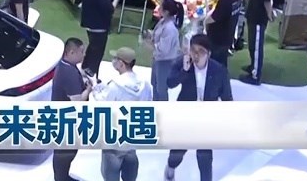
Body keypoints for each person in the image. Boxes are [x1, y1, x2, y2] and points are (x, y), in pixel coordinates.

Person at [164, 34, 233, 181]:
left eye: (201, 52)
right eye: (193, 50)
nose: (196, 55)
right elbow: (170, 83)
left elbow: (227, 96)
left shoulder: (219, 71)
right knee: (177, 151)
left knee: (204, 156)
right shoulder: (183, 63)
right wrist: (184, 71)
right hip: (185, 115)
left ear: (209, 54)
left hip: (205, 118)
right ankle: (171, 166)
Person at [92, 47, 153, 181]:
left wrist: (95, 89)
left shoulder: (115, 86)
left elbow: (104, 104)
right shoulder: (145, 85)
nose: (113, 61)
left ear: (121, 63)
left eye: (115, 58)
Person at [51, 38, 92, 181]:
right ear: (72, 52)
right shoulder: (69, 72)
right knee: (65, 152)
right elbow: (77, 101)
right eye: (81, 52)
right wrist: (89, 89)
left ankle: (62, 176)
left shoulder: (66, 66)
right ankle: (61, 178)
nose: (84, 55)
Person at [80, 0, 124, 78]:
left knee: (92, 48)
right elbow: (110, 9)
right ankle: (90, 74)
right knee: (97, 52)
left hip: (89, 23)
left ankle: (84, 69)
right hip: (99, 26)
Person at [241, 0, 273, 85]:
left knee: (256, 46)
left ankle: (256, 76)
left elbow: (266, 1)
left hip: (259, 18)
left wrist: (269, 14)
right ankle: (253, 66)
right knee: (252, 44)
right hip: (252, 15)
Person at [145, 0, 184, 101]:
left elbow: (163, 50)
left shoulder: (170, 28)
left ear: (166, 12)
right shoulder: (163, 21)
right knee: (154, 83)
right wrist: (151, 35)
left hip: (165, 61)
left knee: (161, 88)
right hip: (157, 59)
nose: (158, 8)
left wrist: (150, 45)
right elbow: (158, 36)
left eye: (160, 7)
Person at [205, 0, 243, 68]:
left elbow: (214, 18)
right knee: (222, 61)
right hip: (228, 35)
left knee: (216, 63)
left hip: (218, 38)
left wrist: (205, 21)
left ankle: (218, 77)